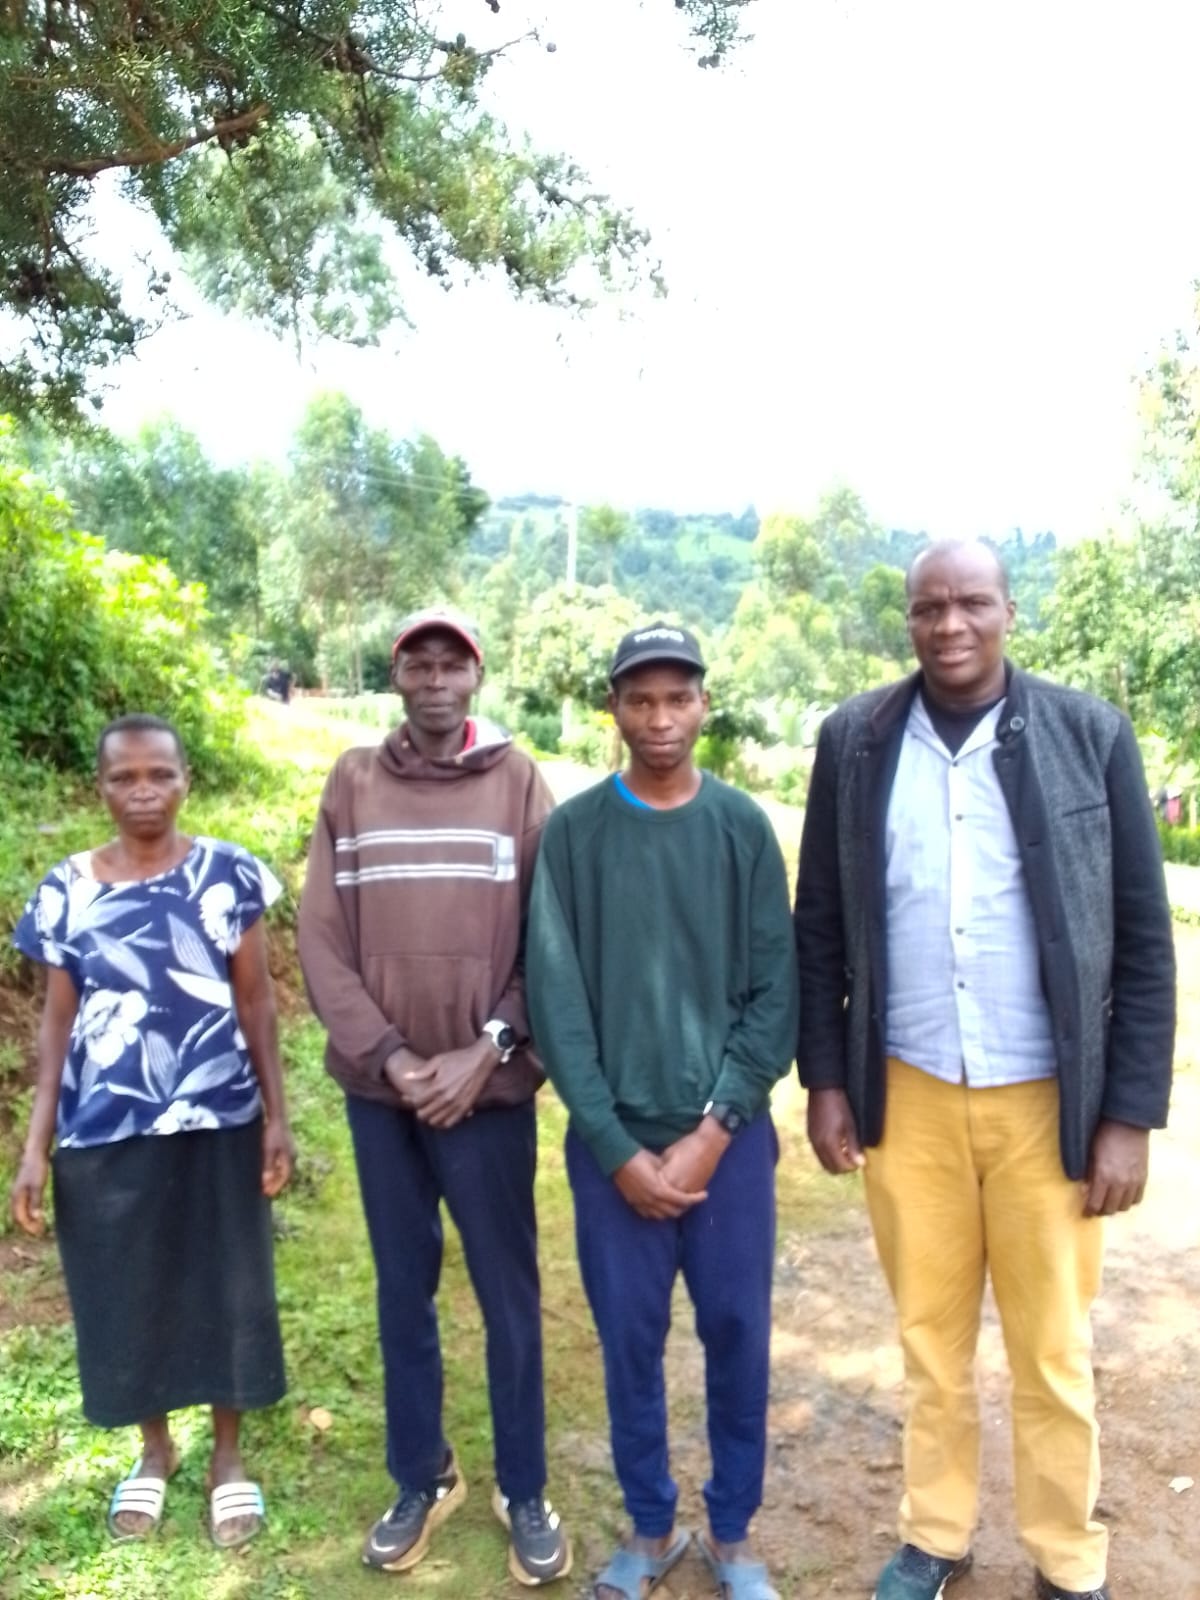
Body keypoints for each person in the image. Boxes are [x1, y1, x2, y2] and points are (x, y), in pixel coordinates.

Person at [792, 541, 1176, 1600]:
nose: (949, 623)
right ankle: (937, 1531)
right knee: (928, 1338)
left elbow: (1142, 934)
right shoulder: (856, 741)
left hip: (1051, 1099)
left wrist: (1129, 1113)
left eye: (970, 602)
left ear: (1009, 609)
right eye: (929, 607)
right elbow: (819, 922)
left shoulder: (1088, 735)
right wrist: (826, 1077)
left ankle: (1064, 1557)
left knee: (1054, 1347)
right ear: (908, 620)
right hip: (905, 1090)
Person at [296, 606, 571, 1586]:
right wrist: (395, 1058)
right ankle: (422, 1473)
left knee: (509, 1294)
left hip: (487, 1095)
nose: (436, 676)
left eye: (453, 661)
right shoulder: (354, 780)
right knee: (401, 1286)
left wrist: (485, 1049)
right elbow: (322, 937)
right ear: (398, 673)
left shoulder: (517, 780)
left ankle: (524, 1484)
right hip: (384, 1095)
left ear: (475, 677)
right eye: (419, 660)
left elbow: (551, 931)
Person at [527, 621, 799, 1600]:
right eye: (639, 699)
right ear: (614, 709)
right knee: (629, 1340)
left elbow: (777, 994)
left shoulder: (741, 829)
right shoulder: (575, 835)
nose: (660, 717)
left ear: (703, 705)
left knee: (735, 1329)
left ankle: (731, 1532)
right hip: (615, 1153)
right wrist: (613, 1145)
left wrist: (716, 1129)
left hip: (727, 1145)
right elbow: (556, 1003)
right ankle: (649, 1524)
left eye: (677, 697)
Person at [8, 713, 295, 1549]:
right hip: (105, 1128)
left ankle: (228, 1458)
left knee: (225, 1280)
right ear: (98, 788)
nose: (143, 792)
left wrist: (277, 1116)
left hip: (219, 1116)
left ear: (184, 781)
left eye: (159, 775)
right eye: (123, 778)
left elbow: (258, 1001)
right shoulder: (65, 890)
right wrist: (36, 1143)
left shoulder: (228, 875)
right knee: (126, 1289)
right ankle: (156, 1450)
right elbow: (57, 1027)